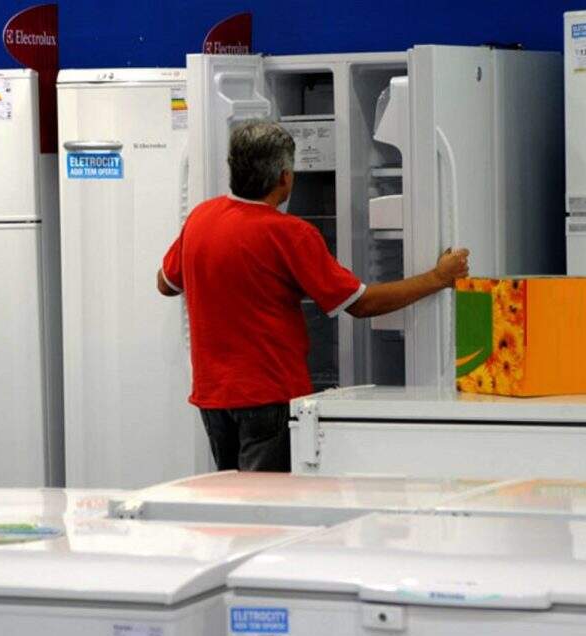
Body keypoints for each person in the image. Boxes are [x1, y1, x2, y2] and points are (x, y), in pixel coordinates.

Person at [158, 119, 469, 473]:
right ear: (284, 178)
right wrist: (437, 278)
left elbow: (166, 284)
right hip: (270, 396)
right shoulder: (289, 234)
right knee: (267, 498)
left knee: (231, 494)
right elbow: (362, 304)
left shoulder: (200, 218)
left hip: (213, 397)